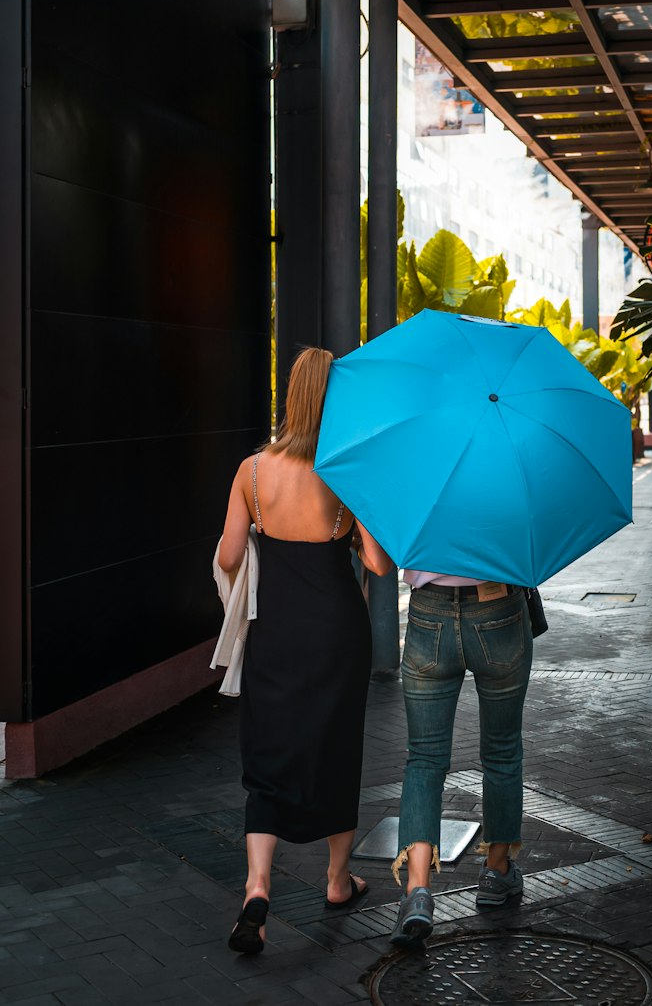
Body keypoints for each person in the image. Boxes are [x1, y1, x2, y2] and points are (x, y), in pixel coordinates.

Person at [217, 347, 393, 956]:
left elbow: (228, 558)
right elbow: (377, 563)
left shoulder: (253, 472)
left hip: (276, 632)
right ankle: (337, 880)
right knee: (336, 748)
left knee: (268, 752)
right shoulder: (347, 473)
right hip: (337, 634)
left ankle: (257, 890)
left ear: (290, 395)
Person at [389, 568, 533, 948]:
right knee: (502, 750)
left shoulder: (418, 502)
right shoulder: (508, 502)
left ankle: (417, 891)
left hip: (429, 611)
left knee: (424, 758)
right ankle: (497, 871)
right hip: (498, 605)